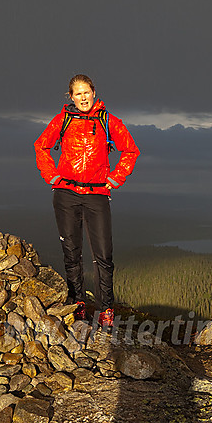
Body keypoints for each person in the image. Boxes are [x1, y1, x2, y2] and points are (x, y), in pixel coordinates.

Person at [34, 74, 139, 327]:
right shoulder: (62, 120)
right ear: (70, 96)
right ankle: (78, 303)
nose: (82, 97)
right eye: (77, 93)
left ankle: (106, 310)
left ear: (94, 92)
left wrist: (115, 179)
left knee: (103, 254)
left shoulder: (108, 120)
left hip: (97, 194)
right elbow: (41, 146)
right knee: (72, 252)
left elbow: (131, 150)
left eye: (86, 92)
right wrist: (52, 176)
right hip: (66, 194)